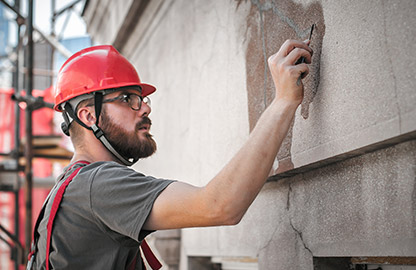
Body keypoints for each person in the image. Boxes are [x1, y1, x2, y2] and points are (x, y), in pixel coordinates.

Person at [28, 39, 313, 269]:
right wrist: (284, 101)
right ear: (88, 115)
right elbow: (220, 205)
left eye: (141, 98)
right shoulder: (98, 185)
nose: (145, 108)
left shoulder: (69, 189)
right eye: (128, 99)